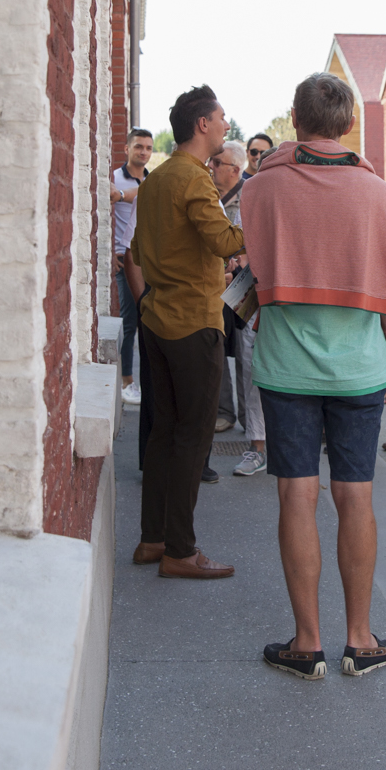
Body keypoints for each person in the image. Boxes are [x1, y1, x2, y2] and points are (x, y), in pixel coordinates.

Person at [239, 74, 386, 678]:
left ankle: (306, 643)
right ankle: (360, 639)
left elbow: (251, 259)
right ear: (349, 124)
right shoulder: (378, 192)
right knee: (354, 495)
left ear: (293, 117)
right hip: (359, 366)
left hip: (287, 364)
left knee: (295, 493)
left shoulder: (263, 187)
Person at [131, 86, 244, 579]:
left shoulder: (156, 178)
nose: (225, 124)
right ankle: (180, 550)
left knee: (163, 435)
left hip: (157, 318)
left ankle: (153, 539)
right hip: (193, 323)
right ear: (202, 125)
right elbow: (223, 241)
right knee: (193, 439)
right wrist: (266, 224)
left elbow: (136, 251)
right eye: (221, 118)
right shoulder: (195, 179)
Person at [207, 142, 269, 476]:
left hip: (290, 299)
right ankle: (256, 445)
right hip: (254, 294)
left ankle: (284, 439)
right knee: (249, 364)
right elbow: (241, 245)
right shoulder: (252, 198)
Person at [112, 129, 153, 406]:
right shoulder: (114, 178)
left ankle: (144, 381)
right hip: (122, 259)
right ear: (127, 148)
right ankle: (127, 381)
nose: (144, 152)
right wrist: (109, 252)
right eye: (138, 146)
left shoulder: (152, 180)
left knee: (147, 321)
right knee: (129, 322)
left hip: (147, 261)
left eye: (149, 148)